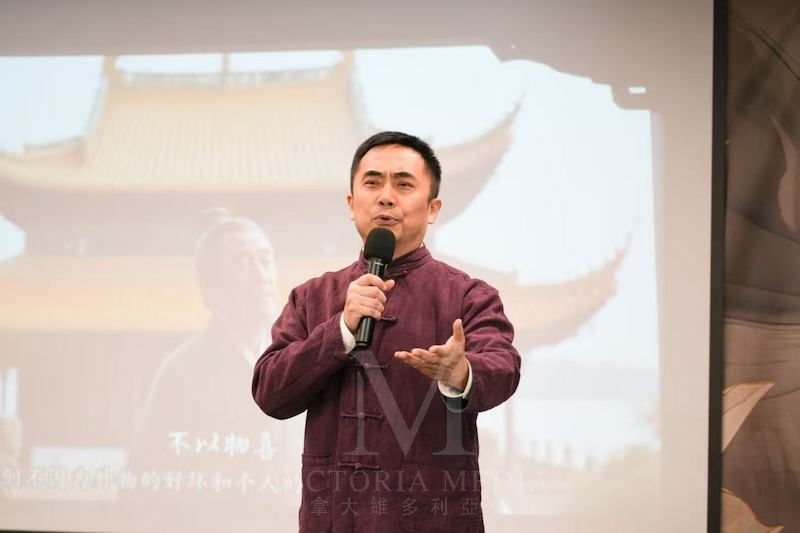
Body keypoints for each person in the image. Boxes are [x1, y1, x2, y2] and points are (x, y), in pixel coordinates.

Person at [252, 131, 521, 532]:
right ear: (351, 204)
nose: (386, 197)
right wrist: (340, 330)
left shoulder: (468, 296)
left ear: (433, 209)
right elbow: (270, 391)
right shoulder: (312, 297)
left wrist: (461, 373)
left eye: (404, 184)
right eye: (373, 182)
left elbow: (504, 366)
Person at [132, 212, 300, 532]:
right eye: (242, 261)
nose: (260, 274)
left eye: (265, 259)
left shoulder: (299, 355)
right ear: (210, 286)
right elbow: (148, 476)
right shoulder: (181, 371)